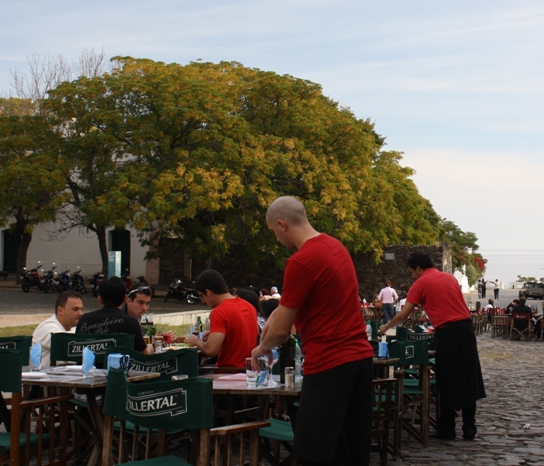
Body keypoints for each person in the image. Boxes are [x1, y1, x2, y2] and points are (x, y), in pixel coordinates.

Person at [251, 196, 373, 466]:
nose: (276, 239)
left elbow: (282, 331)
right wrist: (275, 312)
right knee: (351, 450)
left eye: (274, 232)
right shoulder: (335, 246)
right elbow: (309, 301)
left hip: (330, 363)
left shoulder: (300, 261)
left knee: (314, 453)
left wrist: (261, 348)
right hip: (360, 361)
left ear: (281, 225)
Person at [379, 251, 485, 441]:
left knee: (447, 378)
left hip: (447, 331)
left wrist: (385, 327)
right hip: (466, 329)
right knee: (469, 376)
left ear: (419, 268)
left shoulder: (420, 284)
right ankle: (469, 427)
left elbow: (403, 315)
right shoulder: (449, 278)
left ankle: (448, 429)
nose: (412, 276)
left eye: (412, 272)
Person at [185, 270, 259, 369]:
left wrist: (196, 341)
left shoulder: (219, 312)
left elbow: (211, 350)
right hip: (250, 371)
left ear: (208, 292)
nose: (203, 301)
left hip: (229, 372)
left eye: (201, 295)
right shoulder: (248, 306)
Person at [76, 276, 151, 354]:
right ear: (125, 299)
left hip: (89, 366)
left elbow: (76, 350)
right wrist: (150, 348)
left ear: (100, 299)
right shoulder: (131, 322)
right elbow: (144, 354)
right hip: (118, 366)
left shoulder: (85, 319)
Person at [32, 291, 84, 368]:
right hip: (43, 378)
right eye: (75, 309)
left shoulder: (72, 328)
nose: (80, 313)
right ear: (60, 310)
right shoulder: (47, 327)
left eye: (81, 309)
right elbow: (64, 343)